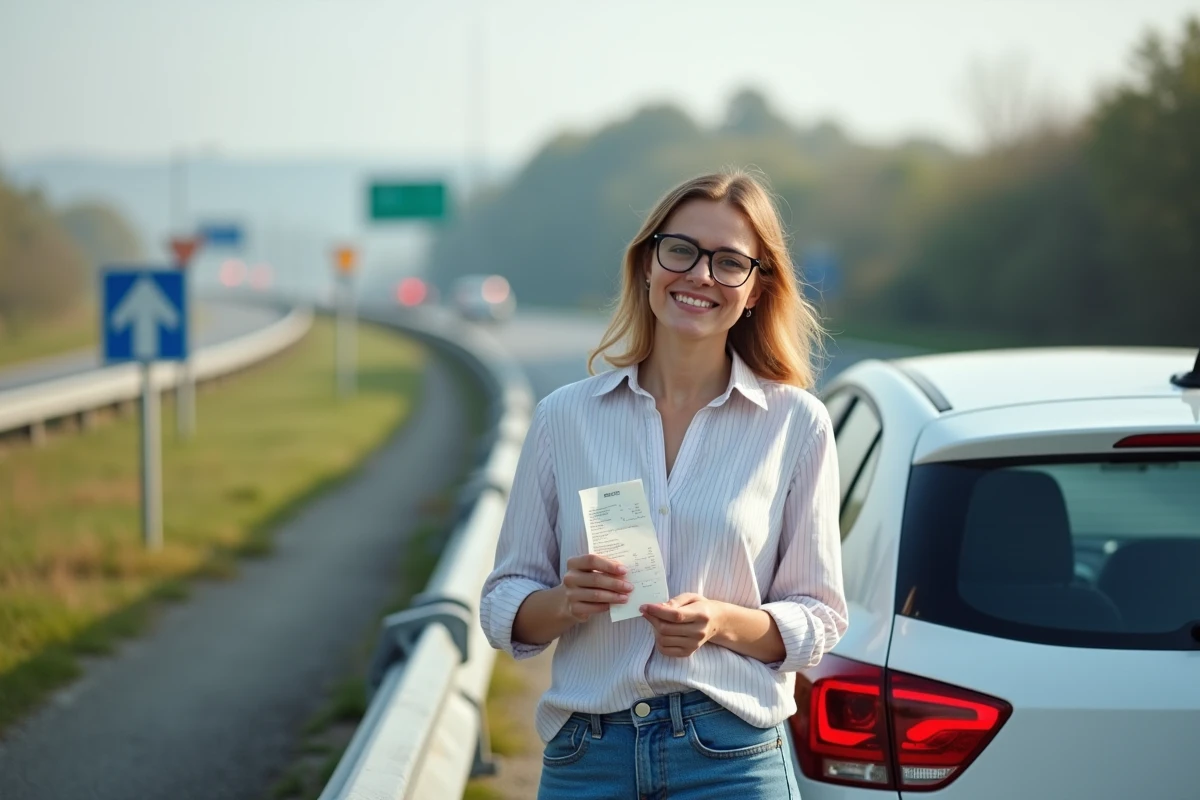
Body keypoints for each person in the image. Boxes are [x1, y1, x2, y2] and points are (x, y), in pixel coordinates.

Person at [480, 169, 847, 799]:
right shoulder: (564, 418)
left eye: (730, 262)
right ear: (648, 263)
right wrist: (566, 602)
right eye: (681, 250)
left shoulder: (797, 424)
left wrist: (722, 623)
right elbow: (503, 601)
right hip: (587, 755)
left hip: (730, 757)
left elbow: (820, 617)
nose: (701, 275)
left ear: (756, 290)